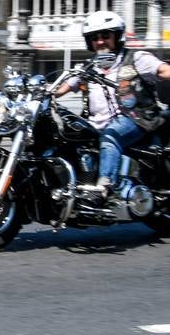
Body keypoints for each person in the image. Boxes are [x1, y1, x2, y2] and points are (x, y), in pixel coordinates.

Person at [52, 10, 170, 198]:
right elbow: (60, 88)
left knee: (111, 136)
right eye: (94, 37)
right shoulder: (88, 67)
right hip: (95, 123)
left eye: (106, 35)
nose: (100, 41)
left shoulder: (136, 58)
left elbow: (164, 70)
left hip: (136, 119)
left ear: (117, 36)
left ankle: (106, 186)